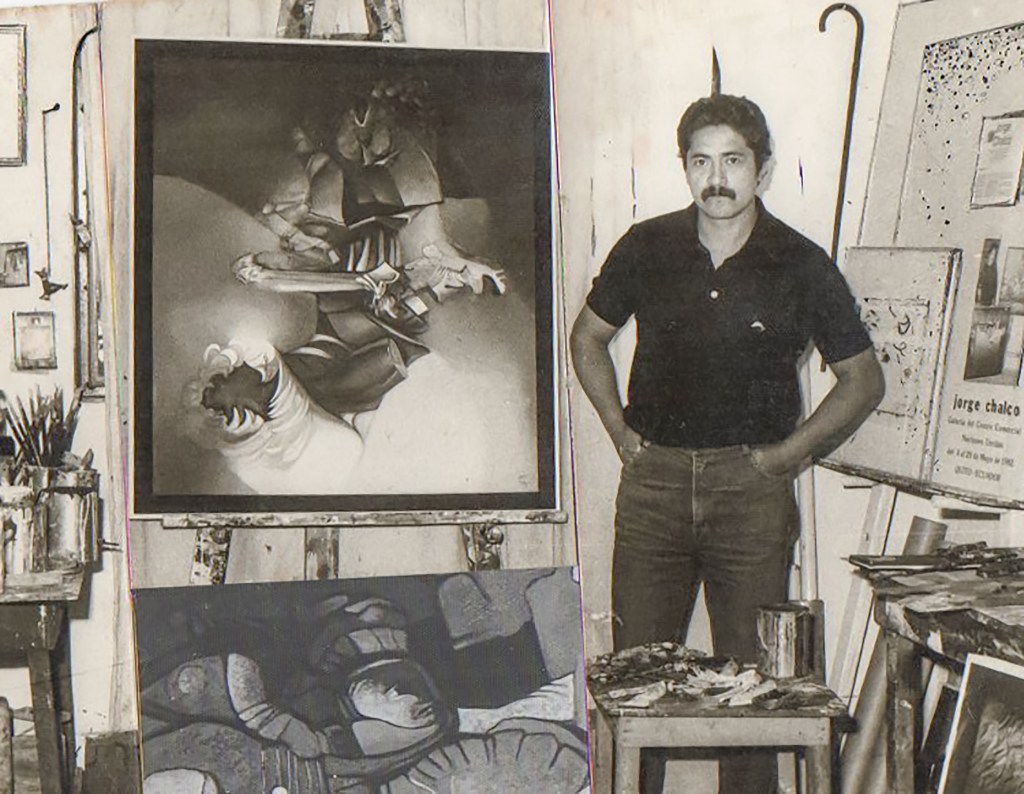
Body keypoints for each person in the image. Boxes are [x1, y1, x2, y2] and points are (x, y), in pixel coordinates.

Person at [570, 93, 885, 793]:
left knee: (752, 696)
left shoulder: (800, 262)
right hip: (652, 489)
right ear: (685, 167)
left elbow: (862, 380)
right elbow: (587, 338)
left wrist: (784, 458)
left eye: (733, 161)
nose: (716, 179)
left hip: (750, 497)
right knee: (637, 688)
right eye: (701, 161)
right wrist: (619, 431)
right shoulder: (647, 245)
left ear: (762, 171)